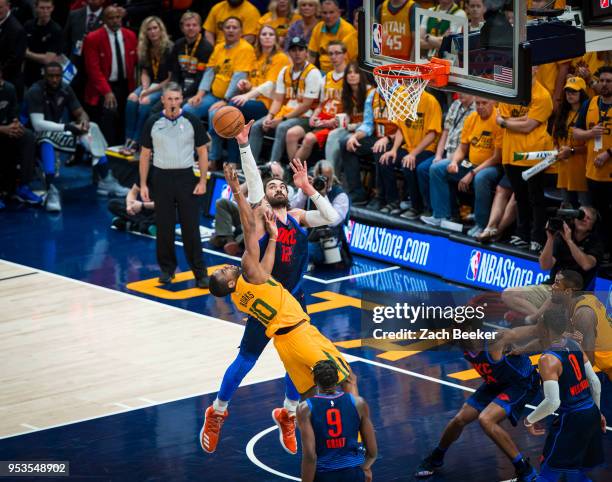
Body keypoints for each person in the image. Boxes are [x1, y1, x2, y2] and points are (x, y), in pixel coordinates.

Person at [201, 124, 341, 455]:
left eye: (281, 184)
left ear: (289, 192)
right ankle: (217, 411)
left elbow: (333, 218)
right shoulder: (264, 218)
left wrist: (308, 187)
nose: (276, 187)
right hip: (268, 303)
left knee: (301, 364)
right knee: (246, 360)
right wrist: (244, 144)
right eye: (271, 185)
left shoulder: (298, 215)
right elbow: (251, 183)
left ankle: (287, 414)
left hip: (296, 301)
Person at [415, 324, 541, 481]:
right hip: (495, 383)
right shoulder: (460, 342)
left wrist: (551, 323)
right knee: (459, 419)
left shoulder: (494, 340)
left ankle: (525, 470)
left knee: (486, 419)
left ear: (468, 331)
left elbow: (535, 330)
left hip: (520, 383)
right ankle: (435, 458)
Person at [26, 61, 127, 212]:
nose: (55, 79)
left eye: (58, 76)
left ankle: (106, 180)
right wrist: (68, 127)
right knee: (46, 138)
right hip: (35, 135)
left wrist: (84, 123)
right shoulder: (35, 91)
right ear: (44, 75)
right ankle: (51, 189)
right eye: (51, 76)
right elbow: (37, 124)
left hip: (59, 130)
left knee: (92, 128)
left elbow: (80, 112)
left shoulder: (65, 88)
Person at [139, 82, 210, 288]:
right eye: (169, 99)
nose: (173, 103)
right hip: (161, 178)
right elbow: (145, 154)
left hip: (186, 178)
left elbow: (203, 151)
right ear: (162, 100)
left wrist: (203, 180)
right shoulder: (153, 121)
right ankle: (167, 270)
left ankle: (200, 273)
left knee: (191, 228)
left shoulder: (191, 120)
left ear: (182, 100)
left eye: (176, 99)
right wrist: (143, 184)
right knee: (164, 227)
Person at [523, 305, 605, 482]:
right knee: (573, 472)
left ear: (544, 328)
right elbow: (595, 383)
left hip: (572, 419)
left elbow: (553, 402)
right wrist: (598, 412)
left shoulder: (548, 359)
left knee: (548, 472)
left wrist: (529, 420)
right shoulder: (574, 344)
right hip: (590, 412)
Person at [502, 205, 604, 320]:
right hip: (551, 287)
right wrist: (550, 238)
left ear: (593, 225)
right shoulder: (561, 237)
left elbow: (586, 264)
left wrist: (569, 241)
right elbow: (544, 266)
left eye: (588, 218)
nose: (583, 219)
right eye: (581, 216)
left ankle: (540, 319)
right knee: (508, 294)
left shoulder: (596, 242)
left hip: (576, 295)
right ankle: (542, 319)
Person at [422, 97, 503, 237]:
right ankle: (441, 215)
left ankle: (481, 224)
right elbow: (462, 148)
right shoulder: (472, 118)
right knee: (438, 168)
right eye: (478, 103)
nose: (480, 106)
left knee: (480, 178)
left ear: (494, 103)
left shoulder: (499, 120)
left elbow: (497, 158)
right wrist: (454, 162)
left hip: (493, 166)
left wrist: (472, 173)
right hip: (471, 163)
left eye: (484, 103)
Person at [209, 24, 289, 166]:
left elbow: (271, 86)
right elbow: (255, 82)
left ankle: (229, 157)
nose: (267, 37)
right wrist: (246, 84)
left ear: (276, 38)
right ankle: (232, 161)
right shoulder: (256, 57)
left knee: (233, 110)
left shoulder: (280, 58)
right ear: (259, 38)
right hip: (253, 100)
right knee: (235, 119)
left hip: (269, 105)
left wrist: (246, 95)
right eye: (264, 34)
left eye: (271, 34)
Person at [497, 67, 554, 252]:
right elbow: (502, 116)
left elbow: (528, 126)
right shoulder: (510, 90)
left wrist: (508, 123)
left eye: (529, 66)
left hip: (533, 155)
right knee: (520, 198)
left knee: (536, 199)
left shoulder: (543, 96)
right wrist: (520, 120)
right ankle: (522, 234)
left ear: (536, 69)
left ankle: (538, 237)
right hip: (510, 154)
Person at [185, 16, 255, 165]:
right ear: (222, 30)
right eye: (227, 27)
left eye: (234, 27)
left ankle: (213, 158)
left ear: (241, 31)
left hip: (232, 99)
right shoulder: (219, 47)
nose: (230, 30)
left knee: (215, 114)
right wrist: (200, 94)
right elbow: (210, 72)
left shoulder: (245, 49)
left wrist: (225, 101)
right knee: (188, 109)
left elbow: (239, 78)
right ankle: (189, 151)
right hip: (213, 95)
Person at [297, 360, 377, 482]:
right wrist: (363, 469)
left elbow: (310, 456)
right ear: (337, 379)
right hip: (354, 473)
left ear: (315, 381)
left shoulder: (305, 408)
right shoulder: (358, 403)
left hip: (325, 474)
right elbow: (372, 452)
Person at [249, 36, 321, 164]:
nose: (297, 53)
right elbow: (278, 99)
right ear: (289, 53)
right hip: (286, 113)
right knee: (257, 126)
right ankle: (250, 167)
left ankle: (272, 166)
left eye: (300, 49)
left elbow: (306, 105)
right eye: (293, 50)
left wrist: (282, 119)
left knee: (282, 127)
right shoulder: (285, 71)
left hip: (305, 116)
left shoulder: (313, 73)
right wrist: (270, 116)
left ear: (306, 52)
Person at [378, 90, 442, 219]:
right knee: (386, 160)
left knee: (408, 164)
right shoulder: (403, 99)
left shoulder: (431, 101)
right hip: (408, 147)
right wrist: (394, 150)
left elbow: (432, 134)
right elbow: (401, 129)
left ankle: (416, 206)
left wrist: (413, 154)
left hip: (427, 149)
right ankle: (393, 201)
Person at [82, 5, 138, 146]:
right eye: (111, 18)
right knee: (108, 120)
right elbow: (93, 69)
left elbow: (136, 63)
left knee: (123, 121)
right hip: (103, 86)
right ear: (104, 20)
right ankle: (105, 154)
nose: (115, 21)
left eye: (118, 17)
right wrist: (107, 91)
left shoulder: (130, 35)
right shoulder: (93, 38)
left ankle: (119, 152)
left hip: (126, 85)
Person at [286, 40, 347, 163]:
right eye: (330, 54)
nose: (333, 57)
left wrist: (331, 121)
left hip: (337, 122)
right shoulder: (326, 77)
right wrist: (314, 116)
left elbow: (351, 108)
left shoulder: (350, 77)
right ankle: (294, 171)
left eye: (337, 53)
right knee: (291, 133)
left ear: (345, 54)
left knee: (308, 138)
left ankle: (292, 171)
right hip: (322, 120)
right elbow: (321, 104)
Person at [573, 65, 612, 254]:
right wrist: (590, 133)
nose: (604, 84)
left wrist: (608, 153)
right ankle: (600, 254)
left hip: (610, 174)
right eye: (602, 80)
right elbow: (576, 132)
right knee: (596, 217)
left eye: (609, 81)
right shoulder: (590, 103)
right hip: (593, 173)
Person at [121, 16, 173, 156]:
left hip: (164, 85)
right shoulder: (145, 47)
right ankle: (128, 138)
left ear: (161, 29)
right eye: (149, 29)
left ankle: (137, 140)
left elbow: (169, 79)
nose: (152, 32)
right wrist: (144, 89)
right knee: (132, 97)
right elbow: (144, 71)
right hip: (150, 84)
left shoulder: (169, 48)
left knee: (144, 101)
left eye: (155, 28)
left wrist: (148, 92)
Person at [340, 87, 398, 209]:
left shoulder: (402, 93)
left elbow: (406, 129)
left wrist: (388, 138)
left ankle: (380, 197)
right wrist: (354, 136)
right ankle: (357, 194)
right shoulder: (373, 94)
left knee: (379, 149)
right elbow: (368, 124)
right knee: (346, 143)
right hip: (378, 136)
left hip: (397, 139)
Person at [291, 159, 350, 267]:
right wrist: (304, 192)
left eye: (326, 178)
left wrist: (323, 196)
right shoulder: (309, 187)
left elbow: (333, 221)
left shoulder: (340, 196)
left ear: (332, 177)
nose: (322, 181)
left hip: (328, 244)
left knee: (302, 249)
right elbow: (291, 212)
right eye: (319, 177)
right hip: (308, 237)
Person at [0, 66, 40, 204]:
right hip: (2, 130)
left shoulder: (9, 89)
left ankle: (23, 186)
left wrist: (16, 124)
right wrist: (3, 129)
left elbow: (14, 113)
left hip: (7, 130)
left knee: (27, 136)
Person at [326, 61, 370, 179]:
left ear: (361, 75)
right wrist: (338, 120)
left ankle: (336, 177)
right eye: (349, 72)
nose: (352, 75)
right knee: (332, 135)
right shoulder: (346, 93)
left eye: (356, 72)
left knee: (343, 142)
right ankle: (330, 176)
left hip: (365, 131)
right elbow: (346, 116)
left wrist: (351, 126)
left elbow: (370, 122)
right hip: (352, 128)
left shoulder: (370, 92)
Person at [552, 76, 590, 207]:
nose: (570, 95)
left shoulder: (589, 114)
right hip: (564, 172)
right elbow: (555, 140)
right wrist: (557, 150)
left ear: (582, 93)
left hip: (583, 173)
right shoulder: (561, 114)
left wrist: (572, 151)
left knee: (586, 212)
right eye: (568, 91)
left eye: (574, 91)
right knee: (567, 213)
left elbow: (592, 146)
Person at [63, 0, 104, 99]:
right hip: (75, 69)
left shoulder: (109, 17)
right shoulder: (74, 14)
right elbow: (65, 42)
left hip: (98, 70)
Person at [169, 11, 213, 101]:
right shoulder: (178, 44)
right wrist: (174, 91)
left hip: (196, 90)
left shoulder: (206, 48)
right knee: (156, 109)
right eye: (188, 25)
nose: (191, 28)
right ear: (182, 28)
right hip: (180, 85)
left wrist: (182, 95)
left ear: (200, 27)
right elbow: (175, 72)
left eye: (194, 25)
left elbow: (201, 78)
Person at [308, 0, 355, 74]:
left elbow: (349, 61)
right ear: (321, 13)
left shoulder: (348, 30)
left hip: (342, 72)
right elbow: (311, 55)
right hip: (321, 72)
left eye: (331, 12)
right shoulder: (318, 28)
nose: (328, 16)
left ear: (339, 13)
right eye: (325, 13)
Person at [23, 0, 63, 87]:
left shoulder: (56, 30)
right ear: (36, 8)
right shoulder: (28, 25)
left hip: (46, 77)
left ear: (52, 8)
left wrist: (27, 53)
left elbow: (48, 59)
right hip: (27, 73)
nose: (45, 11)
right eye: (42, 8)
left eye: (48, 8)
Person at [0, 0, 27, 99]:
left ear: (8, 6)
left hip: (9, 82)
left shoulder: (16, 29)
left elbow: (15, 60)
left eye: (0, 7)